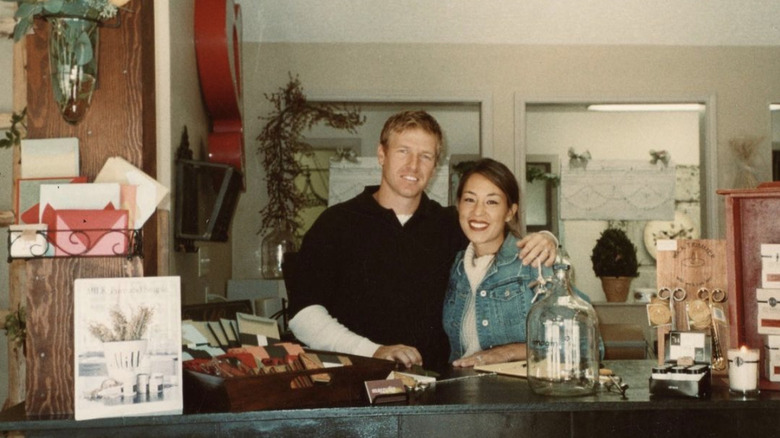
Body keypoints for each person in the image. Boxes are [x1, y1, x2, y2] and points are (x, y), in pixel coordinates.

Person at [287, 110, 557, 372]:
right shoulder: (336, 224)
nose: (413, 166)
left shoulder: (452, 224)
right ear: (381, 154)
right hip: (354, 388)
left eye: (425, 156)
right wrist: (373, 351)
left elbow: (501, 242)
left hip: (435, 395)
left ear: (435, 165)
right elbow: (303, 316)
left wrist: (547, 240)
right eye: (403, 151)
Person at [444, 158, 593, 368]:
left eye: (492, 202)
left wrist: (507, 353)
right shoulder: (455, 267)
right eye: (470, 199)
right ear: (458, 205)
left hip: (518, 396)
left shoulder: (533, 262)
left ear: (510, 212)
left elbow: (585, 344)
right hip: (464, 393)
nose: (478, 212)